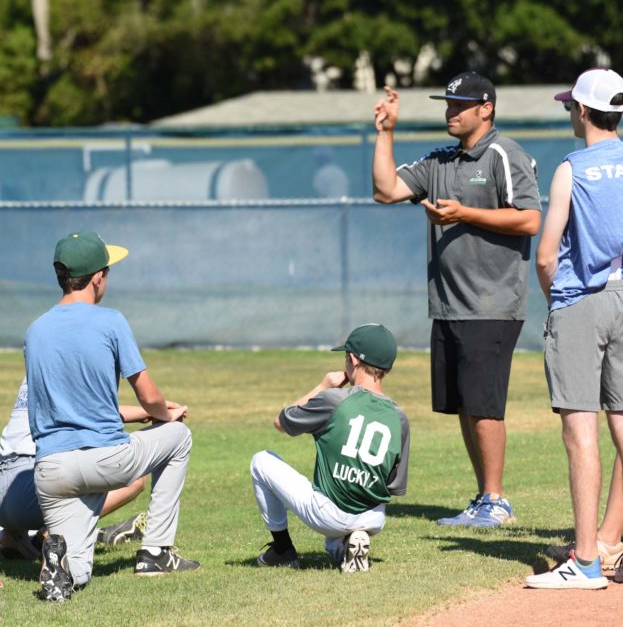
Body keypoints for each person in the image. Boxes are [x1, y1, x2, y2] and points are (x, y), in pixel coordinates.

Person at [372, 72, 541, 527]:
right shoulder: (440, 160)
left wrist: (463, 213)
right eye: (447, 103)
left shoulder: (506, 155)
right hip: (449, 304)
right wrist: (385, 133)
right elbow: (386, 191)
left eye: (460, 104)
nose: (451, 111)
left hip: (492, 303)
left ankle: (496, 499)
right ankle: (485, 497)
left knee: (484, 402)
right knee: (466, 402)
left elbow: (529, 220)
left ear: (486, 108)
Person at [24, 230, 198, 603]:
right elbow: (148, 395)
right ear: (97, 277)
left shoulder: (35, 330)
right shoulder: (110, 321)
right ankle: (156, 552)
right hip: (106, 459)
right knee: (179, 439)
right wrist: (166, 415)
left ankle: (61, 565)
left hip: (52, 470)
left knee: (80, 568)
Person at [525, 69, 623, 590]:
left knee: (580, 429)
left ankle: (586, 562)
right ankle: (608, 542)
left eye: (571, 107)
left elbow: (546, 256)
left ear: (583, 112)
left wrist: (556, 303)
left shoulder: (572, 168)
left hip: (581, 300)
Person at [250, 324, 410, 572]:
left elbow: (281, 422)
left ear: (354, 359)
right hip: (373, 517)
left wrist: (323, 387)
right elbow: (394, 485)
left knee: (261, 461)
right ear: (387, 367)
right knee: (337, 535)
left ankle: (282, 549)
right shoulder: (399, 417)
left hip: (329, 514)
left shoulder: (335, 399)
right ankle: (348, 544)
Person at [0, 378, 149, 559]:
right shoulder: (65, 372)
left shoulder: (31, 373)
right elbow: (101, 415)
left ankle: (13, 536)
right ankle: (55, 529)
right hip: (27, 494)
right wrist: (151, 412)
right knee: (135, 477)